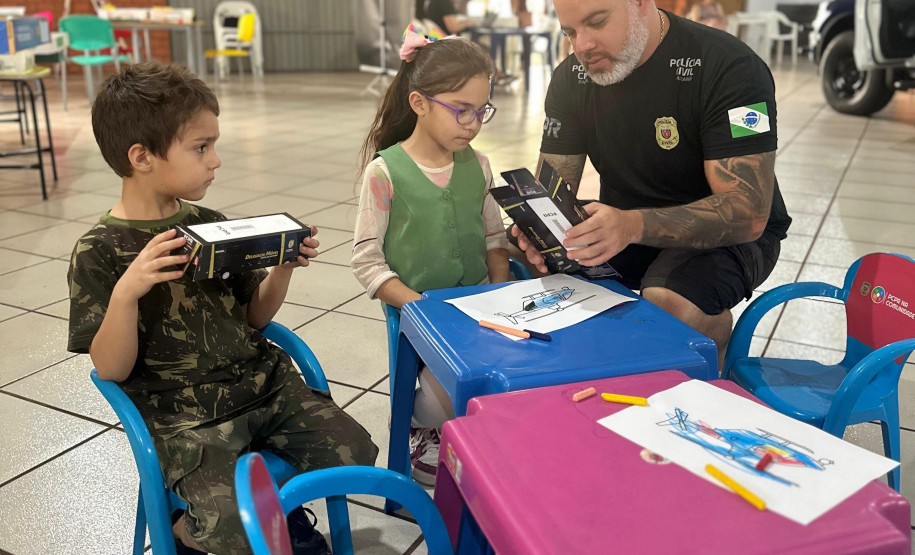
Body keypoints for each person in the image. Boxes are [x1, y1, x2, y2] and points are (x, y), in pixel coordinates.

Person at [67, 63, 378, 555]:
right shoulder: (99, 251)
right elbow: (110, 367)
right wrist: (128, 293)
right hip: (185, 417)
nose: (216, 161)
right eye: (201, 147)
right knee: (229, 530)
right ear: (142, 156)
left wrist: (283, 267)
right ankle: (185, 528)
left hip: (261, 386)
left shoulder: (211, 224)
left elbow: (255, 318)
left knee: (356, 451)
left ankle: (276, 510)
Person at [512, 0, 792, 370]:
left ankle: (710, 361)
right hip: (626, 225)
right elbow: (551, 188)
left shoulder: (728, 67)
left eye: (596, 22)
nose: (582, 46)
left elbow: (748, 211)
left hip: (728, 235)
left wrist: (631, 225)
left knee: (669, 301)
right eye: (570, 32)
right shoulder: (573, 77)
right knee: (511, 257)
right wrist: (538, 230)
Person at [352, 33, 510, 485]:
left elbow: (494, 237)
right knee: (449, 392)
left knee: (513, 373)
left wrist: (498, 288)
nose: (473, 123)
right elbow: (366, 262)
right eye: (461, 109)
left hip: (479, 305)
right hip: (418, 313)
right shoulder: (385, 172)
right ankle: (420, 422)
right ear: (419, 103)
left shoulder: (477, 165)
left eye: (482, 111)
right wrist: (420, 307)